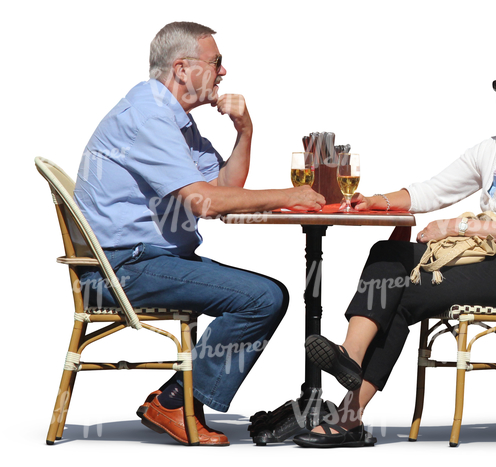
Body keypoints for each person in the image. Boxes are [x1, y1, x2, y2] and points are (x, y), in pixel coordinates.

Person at [294, 55, 496, 448]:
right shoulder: (492, 148)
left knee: (401, 293)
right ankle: (349, 358)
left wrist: (456, 226)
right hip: (489, 259)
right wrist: (378, 200)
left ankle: (349, 416)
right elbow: (433, 190)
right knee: (387, 254)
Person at [74, 21, 325, 446]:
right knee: (263, 297)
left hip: (149, 262)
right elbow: (204, 203)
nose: (224, 72)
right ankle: (176, 402)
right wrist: (292, 194)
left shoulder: (175, 119)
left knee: (266, 294)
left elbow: (225, 190)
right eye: (216, 63)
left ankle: (175, 397)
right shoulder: (148, 116)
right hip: (121, 270)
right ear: (182, 69)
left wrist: (245, 130)